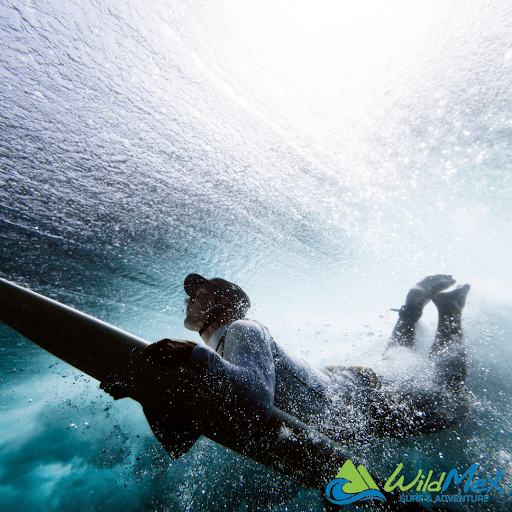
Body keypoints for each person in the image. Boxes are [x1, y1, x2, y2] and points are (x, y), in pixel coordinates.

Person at [125, 273, 469, 457]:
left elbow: (257, 402)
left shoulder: (243, 328)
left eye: (202, 292)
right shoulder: (223, 354)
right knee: (394, 364)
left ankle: (446, 308)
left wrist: (190, 353)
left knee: (449, 404)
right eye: (192, 293)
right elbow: (178, 444)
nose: (190, 297)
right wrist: (149, 393)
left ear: (227, 303)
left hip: (353, 399)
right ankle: (414, 306)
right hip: (342, 388)